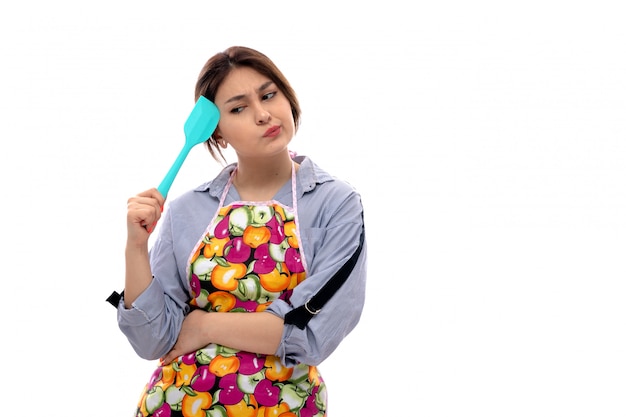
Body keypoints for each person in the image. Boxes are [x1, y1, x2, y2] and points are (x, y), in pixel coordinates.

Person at [115, 46, 367, 417]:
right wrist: (136, 248)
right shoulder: (187, 209)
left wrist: (203, 326)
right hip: (175, 403)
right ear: (216, 132)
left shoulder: (335, 203)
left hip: (285, 406)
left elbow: (314, 332)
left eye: (269, 95)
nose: (264, 114)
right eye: (239, 108)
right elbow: (154, 340)